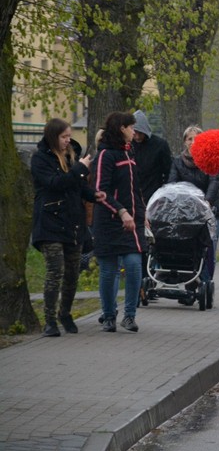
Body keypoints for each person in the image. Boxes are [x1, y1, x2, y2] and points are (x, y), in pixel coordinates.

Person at [31, 118, 104, 336]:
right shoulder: (40, 159)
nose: (68, 140)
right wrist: (80, 168)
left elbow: (78, 187)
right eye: (64, 137)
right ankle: (50, 320)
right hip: (50, 223)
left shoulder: (71, 157)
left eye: (69, 136)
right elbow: (56, 184)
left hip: (72, 223)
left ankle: (65, 313)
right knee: (56, 271)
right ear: (53, 137)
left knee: (72, 273)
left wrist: (94, 195)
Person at [93, 112, 148, 333]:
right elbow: (100, 191)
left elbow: (135, 190)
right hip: (109, 222)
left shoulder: (130, 152)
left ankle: (130, 315)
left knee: (134, 266)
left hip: (132, 223)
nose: (134, 131)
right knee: (109, 270)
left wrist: (143, 214)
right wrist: (121, 211)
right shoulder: (106, 155)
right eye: (131, 127)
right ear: (121, 128)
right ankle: (108, 315)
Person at [167, 125, 219, 280]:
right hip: (186, 212)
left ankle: (205, 281)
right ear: (185, 141)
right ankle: (189, 279)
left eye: (197, 139)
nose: (193, 142)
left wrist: (206, 201)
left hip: (210, 211)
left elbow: (214, 181)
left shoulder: (210, 160)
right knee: (187, 247)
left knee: (207, 248)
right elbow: (173, 183)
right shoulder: (178, 162)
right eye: (189, 139)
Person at [131, 110, 172, 205]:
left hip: (154, 193)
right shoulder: (128, 145)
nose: (137, 137)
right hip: (133, 194)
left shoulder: (160, 145)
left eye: (140, 133)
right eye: (135, 133)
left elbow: (168, 170)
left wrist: (163, 191)